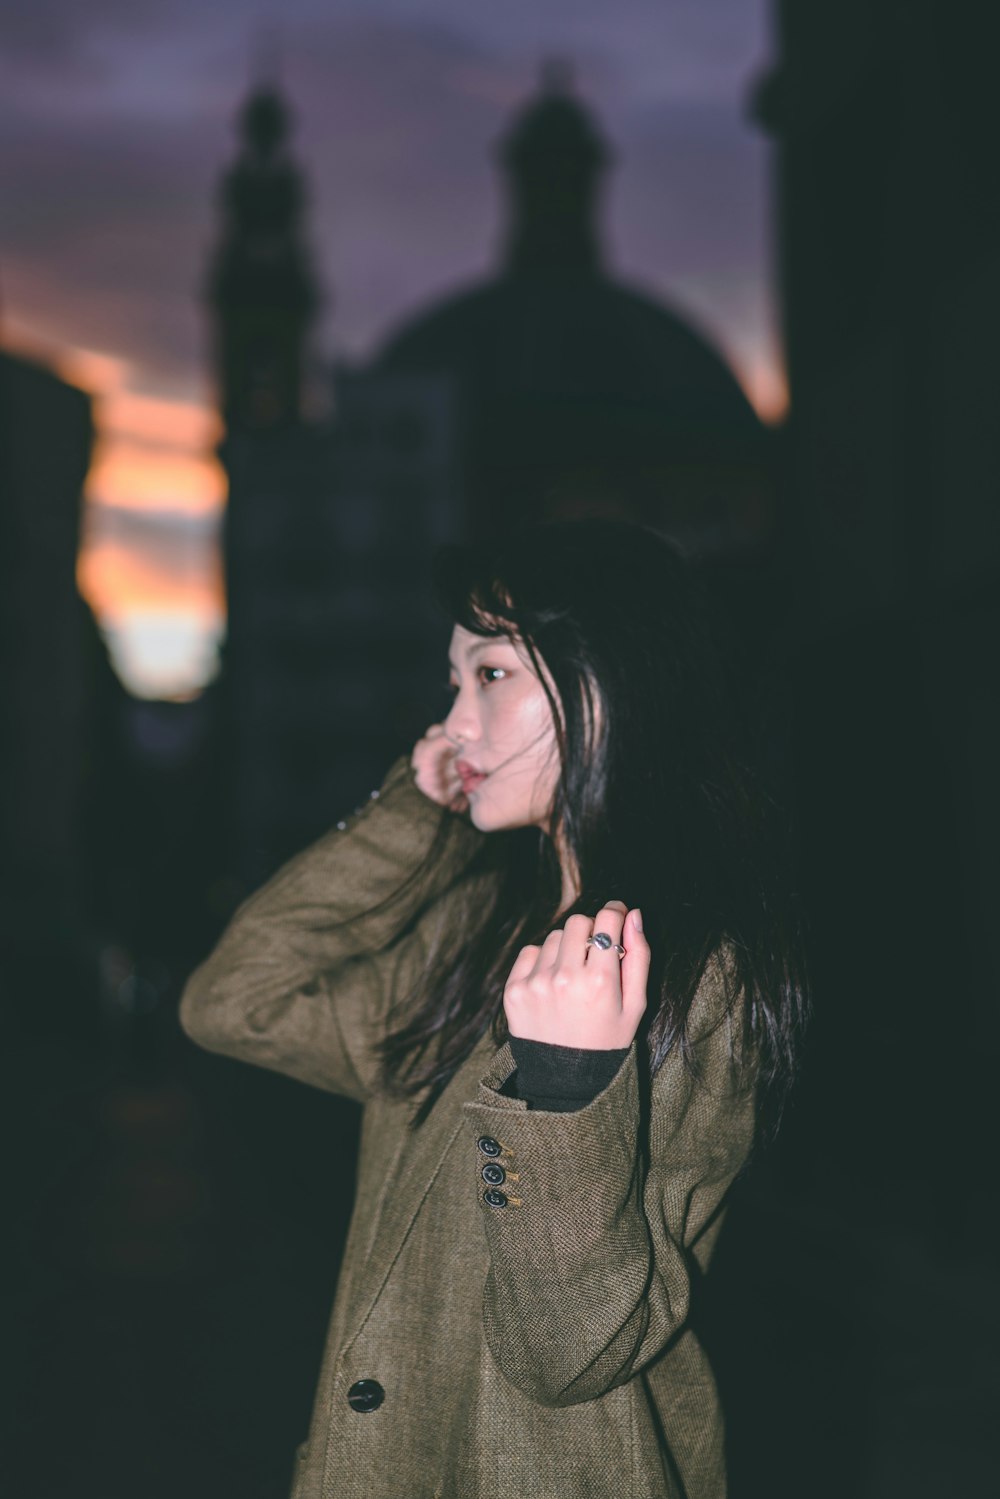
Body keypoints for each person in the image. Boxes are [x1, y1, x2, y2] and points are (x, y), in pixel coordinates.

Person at [179, 516, 809, 1499]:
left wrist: (569, 1088)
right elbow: (233, 1001)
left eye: (492, 675)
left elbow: (572, 1352)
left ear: (605, 685)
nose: (453, 722)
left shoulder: (692, 973)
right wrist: (407, 815)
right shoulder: (470, 932)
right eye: (453, 680)